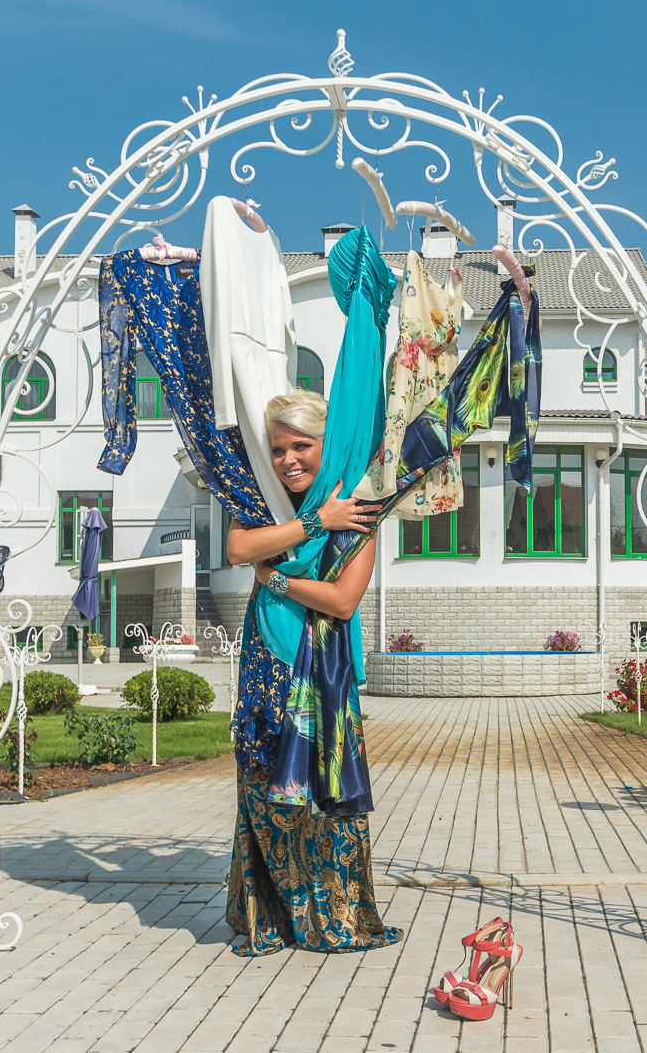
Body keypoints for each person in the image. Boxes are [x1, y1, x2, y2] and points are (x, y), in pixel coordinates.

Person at [224, 390, 401, 957]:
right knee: (263, 787)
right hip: (266, 665)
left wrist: (275, 579)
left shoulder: (356, 507)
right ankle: (272, 912)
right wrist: (312, 522)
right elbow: (239, 548)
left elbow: (343, 601)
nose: (288, 460)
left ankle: (330, 914)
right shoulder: (266, 497)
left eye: (301, 446)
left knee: (320, 795)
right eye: (278, 449)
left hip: (320, 670)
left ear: (327, 444)